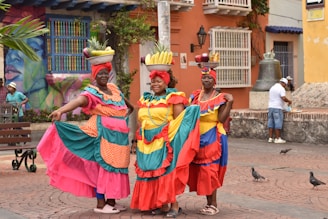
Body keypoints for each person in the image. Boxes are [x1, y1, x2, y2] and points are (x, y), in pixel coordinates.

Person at [37, 62, 134, 214]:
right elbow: (79, 101)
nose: (103, 76)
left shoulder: (114, 90)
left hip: (118, 139)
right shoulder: (92, 92)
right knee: (103, 167)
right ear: (94, 76)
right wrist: (61, 110)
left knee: (115, 166)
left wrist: (121, 121)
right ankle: (101, 204)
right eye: (99, 73)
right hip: (101, 135)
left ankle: (111, 201)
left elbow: (130, 107)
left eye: (105, 73)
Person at [130, 69, 200, 218]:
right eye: (153, 81)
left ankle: (174, 205)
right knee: (150, 171)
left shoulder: (174, 97)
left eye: (159, 81)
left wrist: (174, 141)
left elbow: (180, 122)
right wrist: (135, 141)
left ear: (166, 82)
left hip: (165, 141)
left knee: (167, 172)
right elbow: (139, 120)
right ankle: (160, 204)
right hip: (145, 141)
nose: (155, 84)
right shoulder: (146, 99)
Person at [188, 67, 233, 216]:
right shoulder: (195, 96)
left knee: (210, 171)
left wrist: (230, 103)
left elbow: (221, 119)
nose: (206, 80)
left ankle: (213, 204)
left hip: (213, 136)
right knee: (201, 170)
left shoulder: (220, 97)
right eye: (204, 77)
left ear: (214, 81)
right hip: (197, 137)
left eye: (209, 78)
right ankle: (208, 203)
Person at [267, 78, 292, 144]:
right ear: (283, 83)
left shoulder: (272, 87)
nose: (285, 86)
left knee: (271, 122)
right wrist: (289, 101)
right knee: (277, 122)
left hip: (270, 107)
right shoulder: (281, 89)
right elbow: (283, 97)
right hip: (277, 108)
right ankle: (278, 138)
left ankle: (270, 138)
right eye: (285, 85)